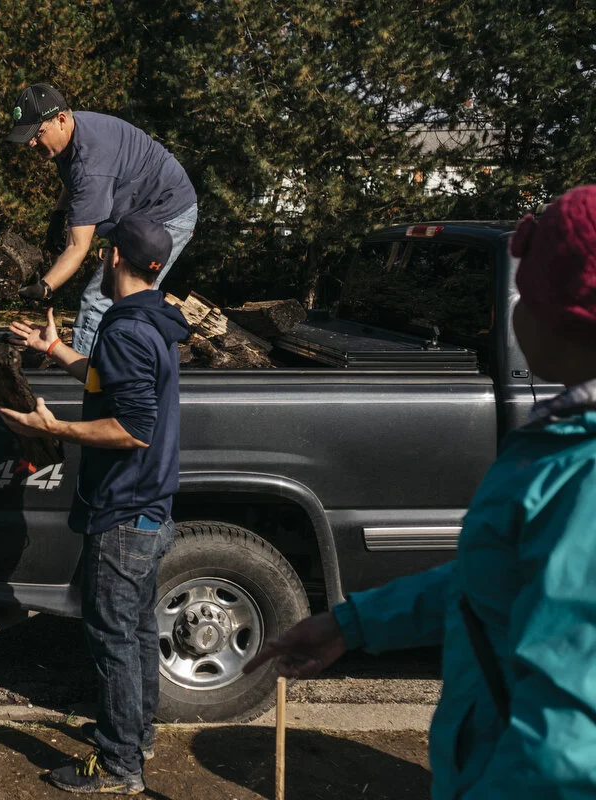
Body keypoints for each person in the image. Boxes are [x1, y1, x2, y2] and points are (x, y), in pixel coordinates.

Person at [244, 184, 596, 797]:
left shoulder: (584, 475)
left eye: (522, 289)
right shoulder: (562, 439)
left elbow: (566, 743)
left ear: (557, 311)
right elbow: (495, 582)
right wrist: (351, 626)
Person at [0, 216, 189, 794]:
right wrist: (55, 348)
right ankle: (137, 733)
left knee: (110, 637)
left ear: (111, 258)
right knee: (132, 630)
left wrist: (52, 425)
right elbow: (112, 381)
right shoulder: (151, 320)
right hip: (150, 507)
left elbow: (132, 428)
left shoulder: (125, 329)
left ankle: (117, 765)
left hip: (125, 511)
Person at [5, 83, 198, 356]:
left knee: (100, 299)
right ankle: (117, 361)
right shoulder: (72, 134)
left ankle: (86, 384)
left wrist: (45, 287)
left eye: (36, 134)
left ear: (60, 119)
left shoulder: (90, 163)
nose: (31, 144)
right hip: (138, 216)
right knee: (116, 299)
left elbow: (77, 247)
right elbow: (73, 180)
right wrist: (59, 215)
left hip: (167, 214)